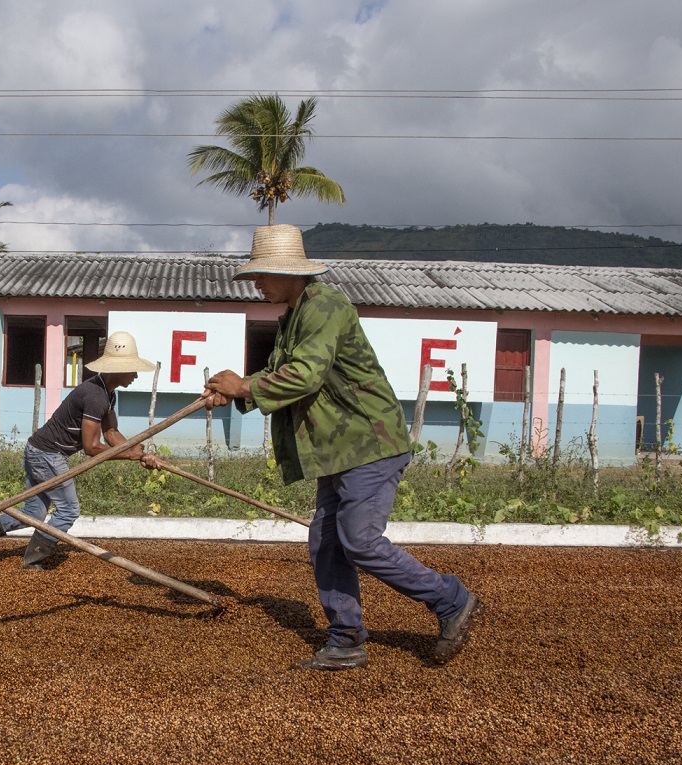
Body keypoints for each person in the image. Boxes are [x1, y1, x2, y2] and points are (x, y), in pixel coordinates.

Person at [202, 225, 484, 670]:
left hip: (370, 443)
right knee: (326, 542)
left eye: (262, 275)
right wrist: (236, 391)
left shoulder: (326, 307)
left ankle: (451, 599)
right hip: (339, 448)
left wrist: (243, 386)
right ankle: (346, 637)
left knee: (360, 540)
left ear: (288, 272)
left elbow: (305, 375)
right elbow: (284, 377)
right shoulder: (294, 316)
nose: (257, 283)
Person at [0, 331, 166, 570]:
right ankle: (34, 560)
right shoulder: (95, 396)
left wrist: (141, 453)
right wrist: (131, 454)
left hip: (40, 450)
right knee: (68, 510)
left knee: (33, 514)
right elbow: (92, 447)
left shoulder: (107, 394)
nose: (136, 375)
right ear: (118, 369)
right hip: (47, 454)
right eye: (132, 369)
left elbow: (111, 434)